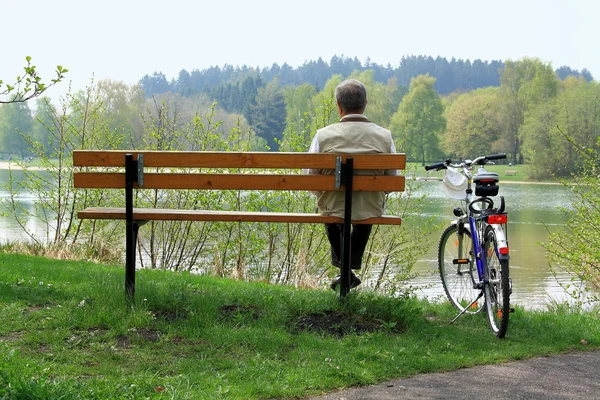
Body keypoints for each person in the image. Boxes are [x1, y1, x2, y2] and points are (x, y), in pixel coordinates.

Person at [305, 79, 396, 290]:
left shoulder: (322, 136)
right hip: (369, 206)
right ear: (365, 103)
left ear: (338, 106)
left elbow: (311, 179)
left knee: (330, 212)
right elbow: (391, 182)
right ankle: (349, 270)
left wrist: (325, 192)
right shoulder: (385, 136)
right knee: (366, 211)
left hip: (332, 205)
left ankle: (344, 271)